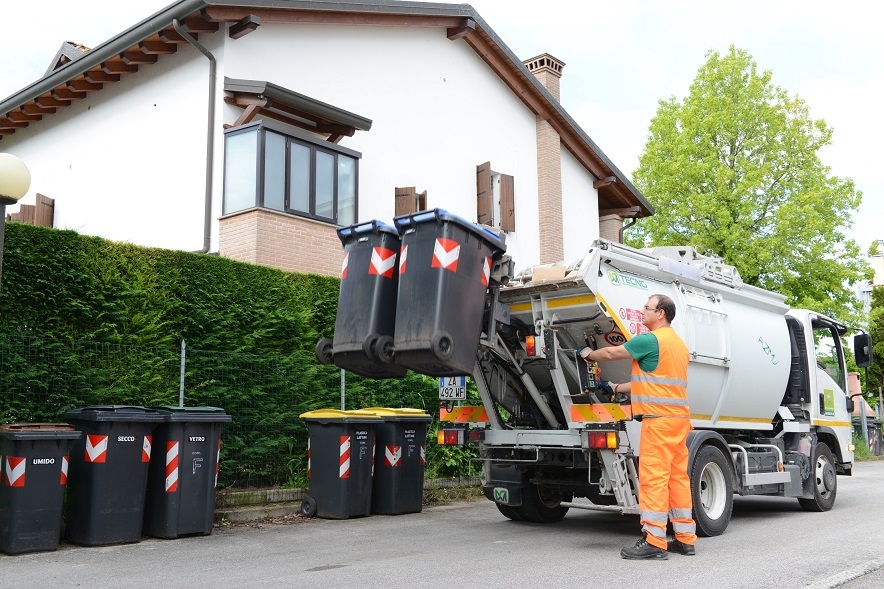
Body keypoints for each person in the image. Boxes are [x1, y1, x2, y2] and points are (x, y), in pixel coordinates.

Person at [579, 294, 697, 560]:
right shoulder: (678, 345)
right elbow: (653, 381)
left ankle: (655, 541)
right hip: (679, 420)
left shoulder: (650, 339)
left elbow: (611, 352)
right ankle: (685, 538)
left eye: (647, 308)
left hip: (658, 420)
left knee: (654, 478)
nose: (642, 312)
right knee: (678, 478)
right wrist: (615, 388)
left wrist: (588, 355)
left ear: (661, 314)